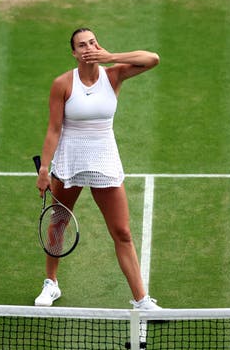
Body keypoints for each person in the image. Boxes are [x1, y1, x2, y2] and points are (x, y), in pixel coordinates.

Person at [34, 28, 161, 310]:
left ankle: (141, 299)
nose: (88, 47)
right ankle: (50, 284)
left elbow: (152, 59)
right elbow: (54, 129)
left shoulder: (114, 75)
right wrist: (45, 168)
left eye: (92, 42)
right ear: (74, 53)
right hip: (70, 161)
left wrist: (111, 56)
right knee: (58, 222)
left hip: (104, 160)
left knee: (122, 232)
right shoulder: (63, 84)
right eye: (82, 45)